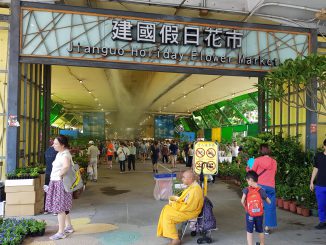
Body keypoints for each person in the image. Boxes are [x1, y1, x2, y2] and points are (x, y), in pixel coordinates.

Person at [157, 170, 204, 245]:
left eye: (183, 177)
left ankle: (175, 239)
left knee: (168, 215)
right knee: (166, 208)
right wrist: (176, 199)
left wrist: (174, 203)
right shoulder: (192, 186)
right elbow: (186, 200)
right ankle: (168, 232)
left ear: (190, 179)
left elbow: (188, 207)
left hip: (190, 212)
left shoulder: (195, 190)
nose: (182, 179)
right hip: (186, 209)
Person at [45, 135, 74, 240]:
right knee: (64, 206)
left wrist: (60, 175)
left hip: (59, 183)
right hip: (57, 182)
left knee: (59, 208)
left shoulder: (65, 154)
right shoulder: (60, 153)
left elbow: (66, 166)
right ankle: (69, 226)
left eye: (56, 143)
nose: (53, 145)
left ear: (62, 145)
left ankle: (61, 232)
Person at [251, 143, 277, 234]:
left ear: (260, 151)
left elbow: (251, 173)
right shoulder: (274, 161)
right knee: (269, 207)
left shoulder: (256, 160)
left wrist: (249, 164)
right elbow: (274, 173)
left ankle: (256, 225)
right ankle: (266, 228)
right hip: (271, 187)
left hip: (259, 187)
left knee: (257, 205)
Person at [241, 171, 271, 245]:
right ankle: (262, 243)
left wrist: (246, 208)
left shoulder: (246, 189)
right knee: (260, 230)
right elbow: (269, 202)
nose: (247, 182)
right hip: (259, 214)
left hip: (250, 214)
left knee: (249, 231)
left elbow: (242, 201)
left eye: (247, 180)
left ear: (250, 180)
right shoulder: (261, 190)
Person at [310, 139, 326, 230]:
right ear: (324, 146)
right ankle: (322, 222)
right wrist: (311, 181)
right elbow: (315, 169)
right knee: (321, 205)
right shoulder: (319, 156)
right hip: (320, 185)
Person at [44, 138, 58, 214]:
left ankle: (46, 209)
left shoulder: (47, 151)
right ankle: (54, 210)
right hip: (55, 174)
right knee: (55, 191)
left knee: (47, 191)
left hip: (47, 173)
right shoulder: (57, 152)